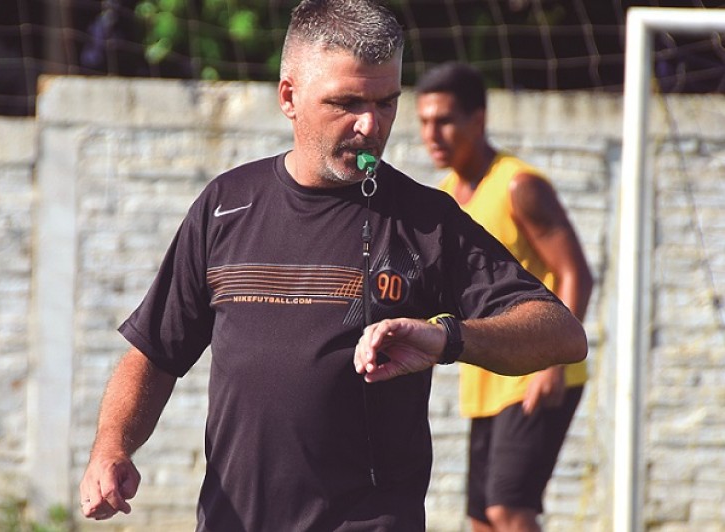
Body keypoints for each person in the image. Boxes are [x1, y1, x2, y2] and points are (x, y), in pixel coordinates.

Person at [79, 3, 587, 530]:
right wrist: (111, 447)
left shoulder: (425, 221)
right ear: (289, 97)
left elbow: (562, 333)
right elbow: (155, 352)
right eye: (346, 103)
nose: (370, 125)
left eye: (386, 103)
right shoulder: (226, 205)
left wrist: (447, 338)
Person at [415, 62, 593, 532]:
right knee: (481, 519)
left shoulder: (519, 185)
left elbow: (575, 272)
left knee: (508, 511)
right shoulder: (446, 197)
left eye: (445, 120)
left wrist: (554, 363)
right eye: (424, 121)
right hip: (488, 375)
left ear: (478, 120)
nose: (432, 134)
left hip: (536, 370)